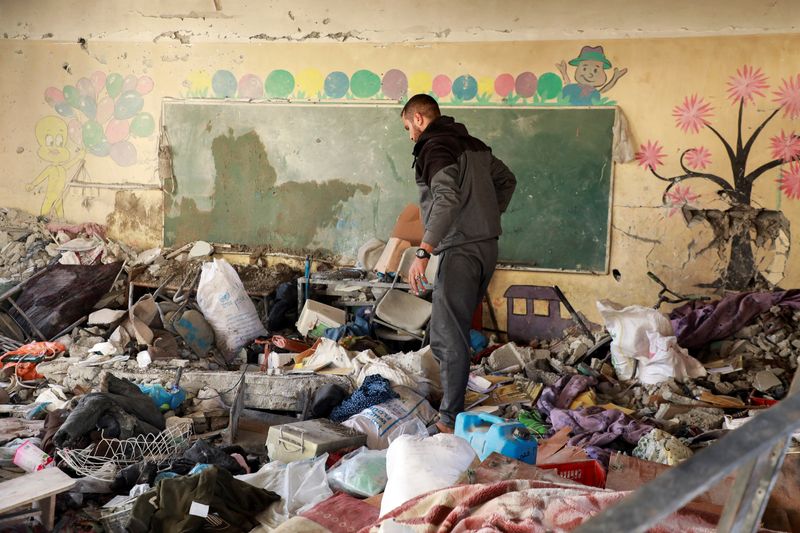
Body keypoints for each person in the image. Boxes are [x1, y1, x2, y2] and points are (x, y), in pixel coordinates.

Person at [400, 94, 516, 433]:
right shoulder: (473, 144)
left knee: (449, 336)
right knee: (444, 332)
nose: (410, 136)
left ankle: (449, 420)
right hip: (485, 248)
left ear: (419, 119)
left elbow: (447, 198)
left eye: (408, 127)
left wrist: (423, 251)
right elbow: (507, 180)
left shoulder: (435, 147)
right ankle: (449, 397)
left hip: (462, 250)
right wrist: (487, 216)